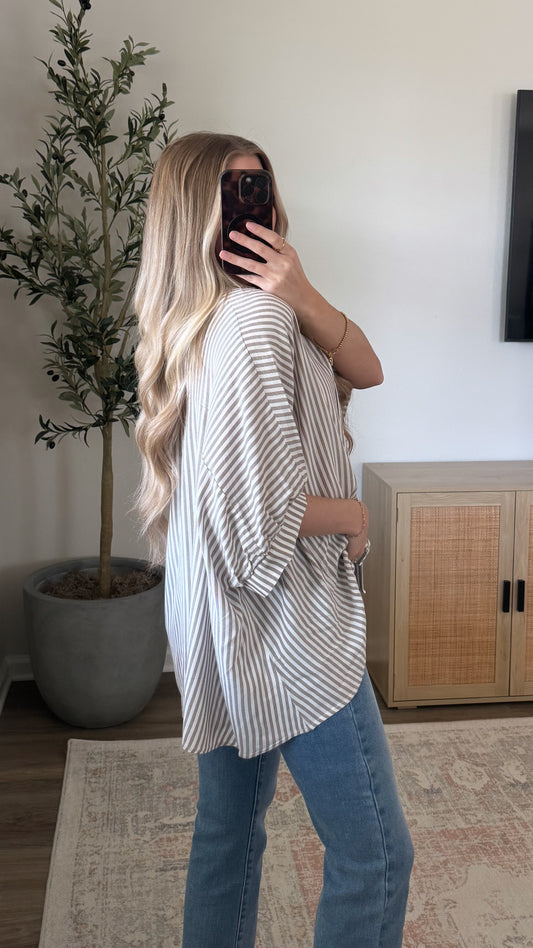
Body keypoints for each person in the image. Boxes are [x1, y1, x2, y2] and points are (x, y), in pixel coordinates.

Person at [134, 131, 413, 948]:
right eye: (232, 191)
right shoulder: (254, 320)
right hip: (285, 620)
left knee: (226, 834)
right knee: (375, 857)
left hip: (213, 618)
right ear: (196, 212)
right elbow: (261, 521)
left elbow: (366, 368)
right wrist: (352, 517)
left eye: (258, 186)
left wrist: (301, 290)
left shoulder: (191, 319)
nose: (251, 204)